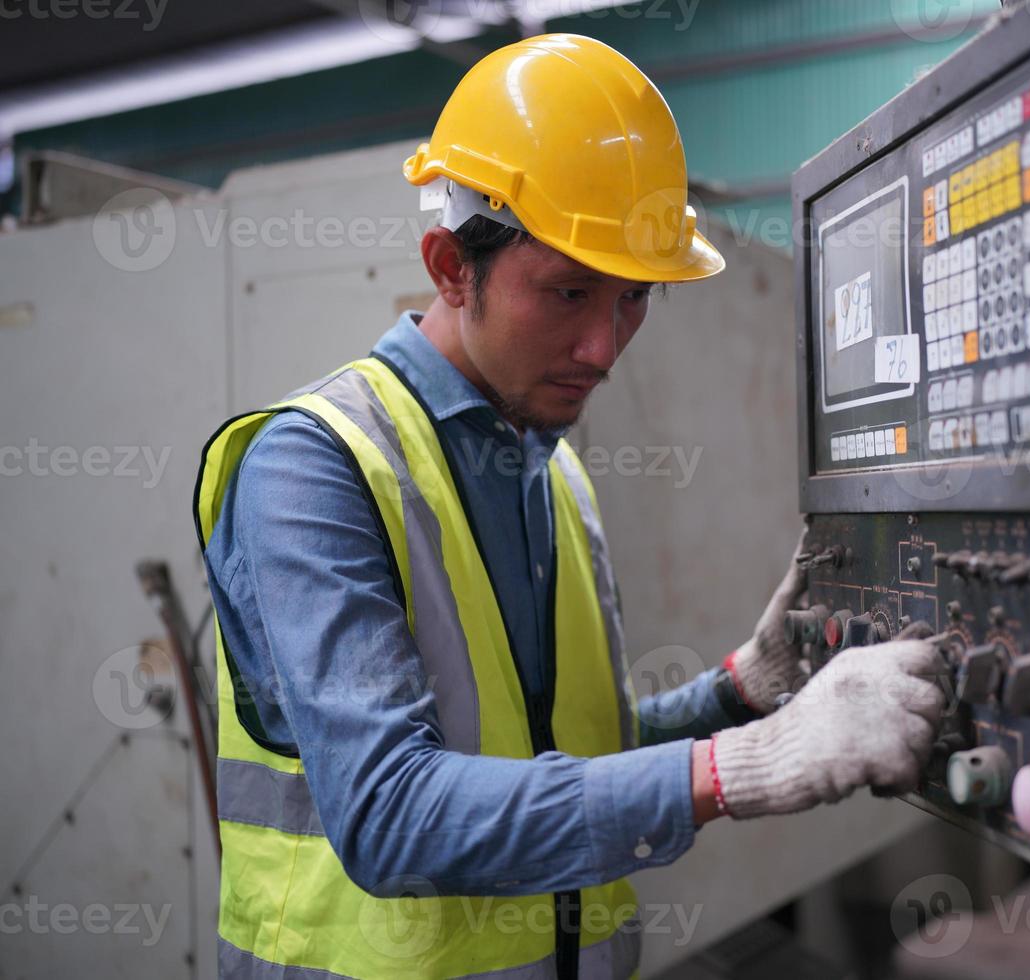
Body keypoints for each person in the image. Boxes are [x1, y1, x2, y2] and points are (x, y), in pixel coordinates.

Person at [194, 33, 948, 980]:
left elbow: (575, 753)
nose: (604, 345)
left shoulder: (550, 474)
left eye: (634, 298)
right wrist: (748, 768)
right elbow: (389, 816)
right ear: (449, 265)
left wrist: (743, 691)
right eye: (567, 292)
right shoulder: (313, 469)